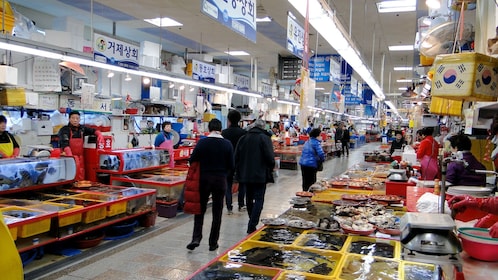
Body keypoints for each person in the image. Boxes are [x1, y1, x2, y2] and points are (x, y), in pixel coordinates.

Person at [186, 118, 234, 251]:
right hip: (220, 180)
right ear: (220, 129)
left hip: (204, 179)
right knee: (217, 212)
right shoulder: (227, 144)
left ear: (209, 129)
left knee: (199, 209)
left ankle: (196, 238)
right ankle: (213, 243)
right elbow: (232, 165)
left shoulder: (202, 142)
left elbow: (192, 160)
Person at [235, 119, 275, 234]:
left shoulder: (243, 138)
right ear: (263, 127)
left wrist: (238, 170)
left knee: (248, 198)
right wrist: (270, 168)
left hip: (245, 173)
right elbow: (270, 157)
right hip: (260, 174)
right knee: (259, 199)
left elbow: (236, 156)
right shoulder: (264, 138)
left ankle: (251, 221)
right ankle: (252, 224)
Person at [58, 111, 103, 181]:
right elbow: (65, 144)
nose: (75, 120)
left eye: (77, 118)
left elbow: (93, 131)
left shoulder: (82, 128)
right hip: (68, 157)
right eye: (73, 118)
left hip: (80, 158)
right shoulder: (64, 130)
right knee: (70, 176)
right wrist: (71, 158)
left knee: (80, 176)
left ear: (79, 119)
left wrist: (99, 134)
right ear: (69, 119)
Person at [221, 110, 246, 214]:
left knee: (228, 183)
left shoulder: (224, 132)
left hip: (227, 161)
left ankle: (229, 207)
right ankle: (241, 204)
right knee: (242, 183)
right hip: (241, 161)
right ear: (239, 120)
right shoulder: (244, 133)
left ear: (229, 120)